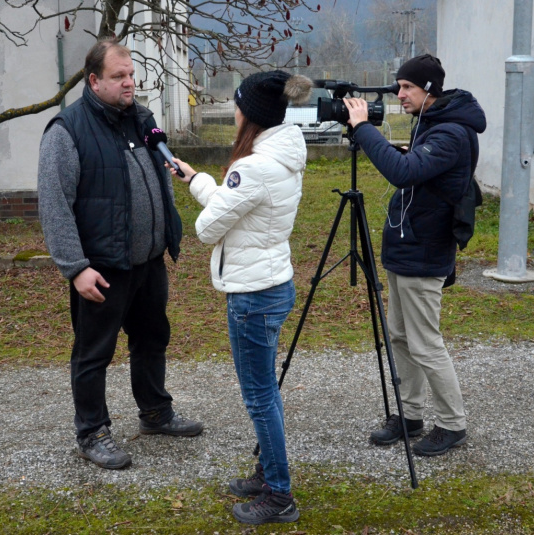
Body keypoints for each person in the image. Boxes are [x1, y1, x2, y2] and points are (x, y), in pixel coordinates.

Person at [37, 38, 203, 470]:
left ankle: (155, 412)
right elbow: (54, 204)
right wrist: (76, 268)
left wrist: (165, 236)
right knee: (94, 353)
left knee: (152, 339)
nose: (129, 83)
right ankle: (92, 432)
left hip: (148, 261)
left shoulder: (142, 120)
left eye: (131, 75)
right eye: (118, 77)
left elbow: (157, 179)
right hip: (102, 268)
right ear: (93, 81)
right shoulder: (67, 130)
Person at [168, 70, 312, 525]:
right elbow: (238, 208)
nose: (233, 112)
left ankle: (279, 494)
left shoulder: (252, 167)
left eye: (237, 105)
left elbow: (208, 227)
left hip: (252, 297)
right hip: (272, 284)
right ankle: (268, 473)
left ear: (249, 113)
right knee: (265, 393)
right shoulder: (282, 155)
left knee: (259, 396)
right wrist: (196, 179)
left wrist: (215, 189)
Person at [344, 54, 486, 457]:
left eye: (408, 87)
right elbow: (415, 168)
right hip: (408, 245)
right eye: (399, 85)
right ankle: (410, 415)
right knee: (401, 336)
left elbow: (403, 173)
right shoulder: (432, 125)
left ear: (431, 90)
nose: (400, 94)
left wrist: (364, 129)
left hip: (425, 250)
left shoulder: (451, 133)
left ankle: (452, 424)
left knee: (425, 342)